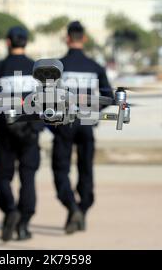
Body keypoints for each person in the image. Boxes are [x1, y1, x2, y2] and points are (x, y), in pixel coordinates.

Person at [51, 21, 114, 234]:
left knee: (61, 169)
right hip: (87, 123)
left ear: (67, 38)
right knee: (85, 169)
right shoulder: (95, 67)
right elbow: (109, 97)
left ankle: (71, 207)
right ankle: (82, 210)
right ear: (84, 39)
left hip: (64, 124)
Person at [0, 26, 43, 242]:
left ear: (8, 42)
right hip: (30, 133)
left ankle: (10, 209)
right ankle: (24, 225)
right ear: (26, 42)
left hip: (5, 132)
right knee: (28, 178)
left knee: (1, 176)